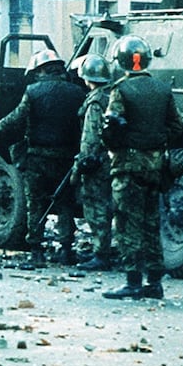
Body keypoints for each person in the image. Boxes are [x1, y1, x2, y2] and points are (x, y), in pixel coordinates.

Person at [100, 35, 183, 300]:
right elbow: (176, 126)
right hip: (156, 165)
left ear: (122, 61)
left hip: (128, 165)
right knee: (151, 222)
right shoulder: (163, 89)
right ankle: (155, 282)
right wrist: (156, 140)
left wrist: (120, 142)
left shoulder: (121, 90)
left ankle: (133, 281)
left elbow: (111, 127)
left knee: (127, 223)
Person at [0, 49, 86, 267]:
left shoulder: (33, 92)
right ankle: (66, 250)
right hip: (66, 158)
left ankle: (37, 251)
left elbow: (17, 117)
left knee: (36, 203)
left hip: (38, 158)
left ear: (41, 70)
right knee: (65, 203)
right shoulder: (77, 92)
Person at [73, 54, 115, 271]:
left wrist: (82, 162)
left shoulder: (95, 101)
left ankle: (101, 255)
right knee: (107, 205)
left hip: (96, 162)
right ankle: (104, 250)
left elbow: (90, 136)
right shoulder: (111, 96)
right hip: (110, 159)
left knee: (95, 207)